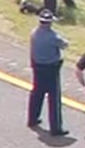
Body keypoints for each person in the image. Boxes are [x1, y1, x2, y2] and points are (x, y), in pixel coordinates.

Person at [28, 8, 70, 136]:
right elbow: (65, 45)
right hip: (51, 69)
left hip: (37, 67)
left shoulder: (34, 33)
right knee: (54, 98)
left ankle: (32, 118)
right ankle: (55, 127)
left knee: (37, 93)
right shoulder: (53, 37)